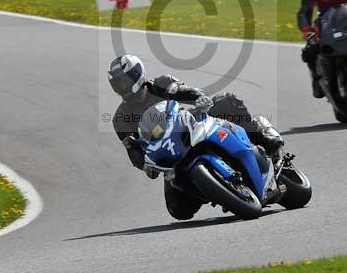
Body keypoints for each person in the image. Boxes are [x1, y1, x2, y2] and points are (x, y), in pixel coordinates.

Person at [108, 54, 284, 220]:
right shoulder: (120, 119)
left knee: (228, 101)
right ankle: (214, 189)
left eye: (125, 81)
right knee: (179, 211)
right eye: (118, 84)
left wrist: (199, 98)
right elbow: (133, 151)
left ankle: (262, 135)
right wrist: (145, 165)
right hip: (171, 156)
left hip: (191, 125)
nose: (122, 87)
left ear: (137, 75)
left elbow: (187, 92)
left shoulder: (161, 83)